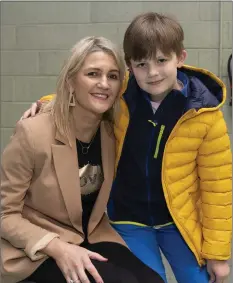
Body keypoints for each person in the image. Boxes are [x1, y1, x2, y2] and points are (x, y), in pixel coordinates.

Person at [21, 12, 232, 283]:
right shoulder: (120, 96)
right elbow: (84, 96)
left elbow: (217, 188)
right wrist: (45, 104)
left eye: (162, 60)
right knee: (149, 280)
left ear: (180, 57)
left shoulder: (205, 114)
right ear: (130, 66)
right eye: (141, 64)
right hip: (129, 219)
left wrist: (218, 255)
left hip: (180, 223)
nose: (152, 72)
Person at [0, 36, 164, 283]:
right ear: (70, 81)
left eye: (112, 76)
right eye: (93, 74)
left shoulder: (111, 132)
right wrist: (58, 248)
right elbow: (5, 214)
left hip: (92, 236)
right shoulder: (32, 133)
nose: (104, 84)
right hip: (38, 248)